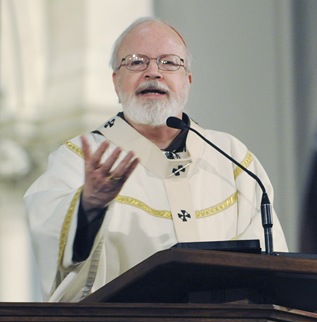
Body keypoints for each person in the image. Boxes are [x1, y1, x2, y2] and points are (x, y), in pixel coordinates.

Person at [24, 17, 288, 302]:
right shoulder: (79, 158)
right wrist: (88, 208)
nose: (153, 72)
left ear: (187, 80)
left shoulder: (233, 159)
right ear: (116, 81)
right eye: (136, 62)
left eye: (169, 62)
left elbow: (269, 269)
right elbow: (51, 244)